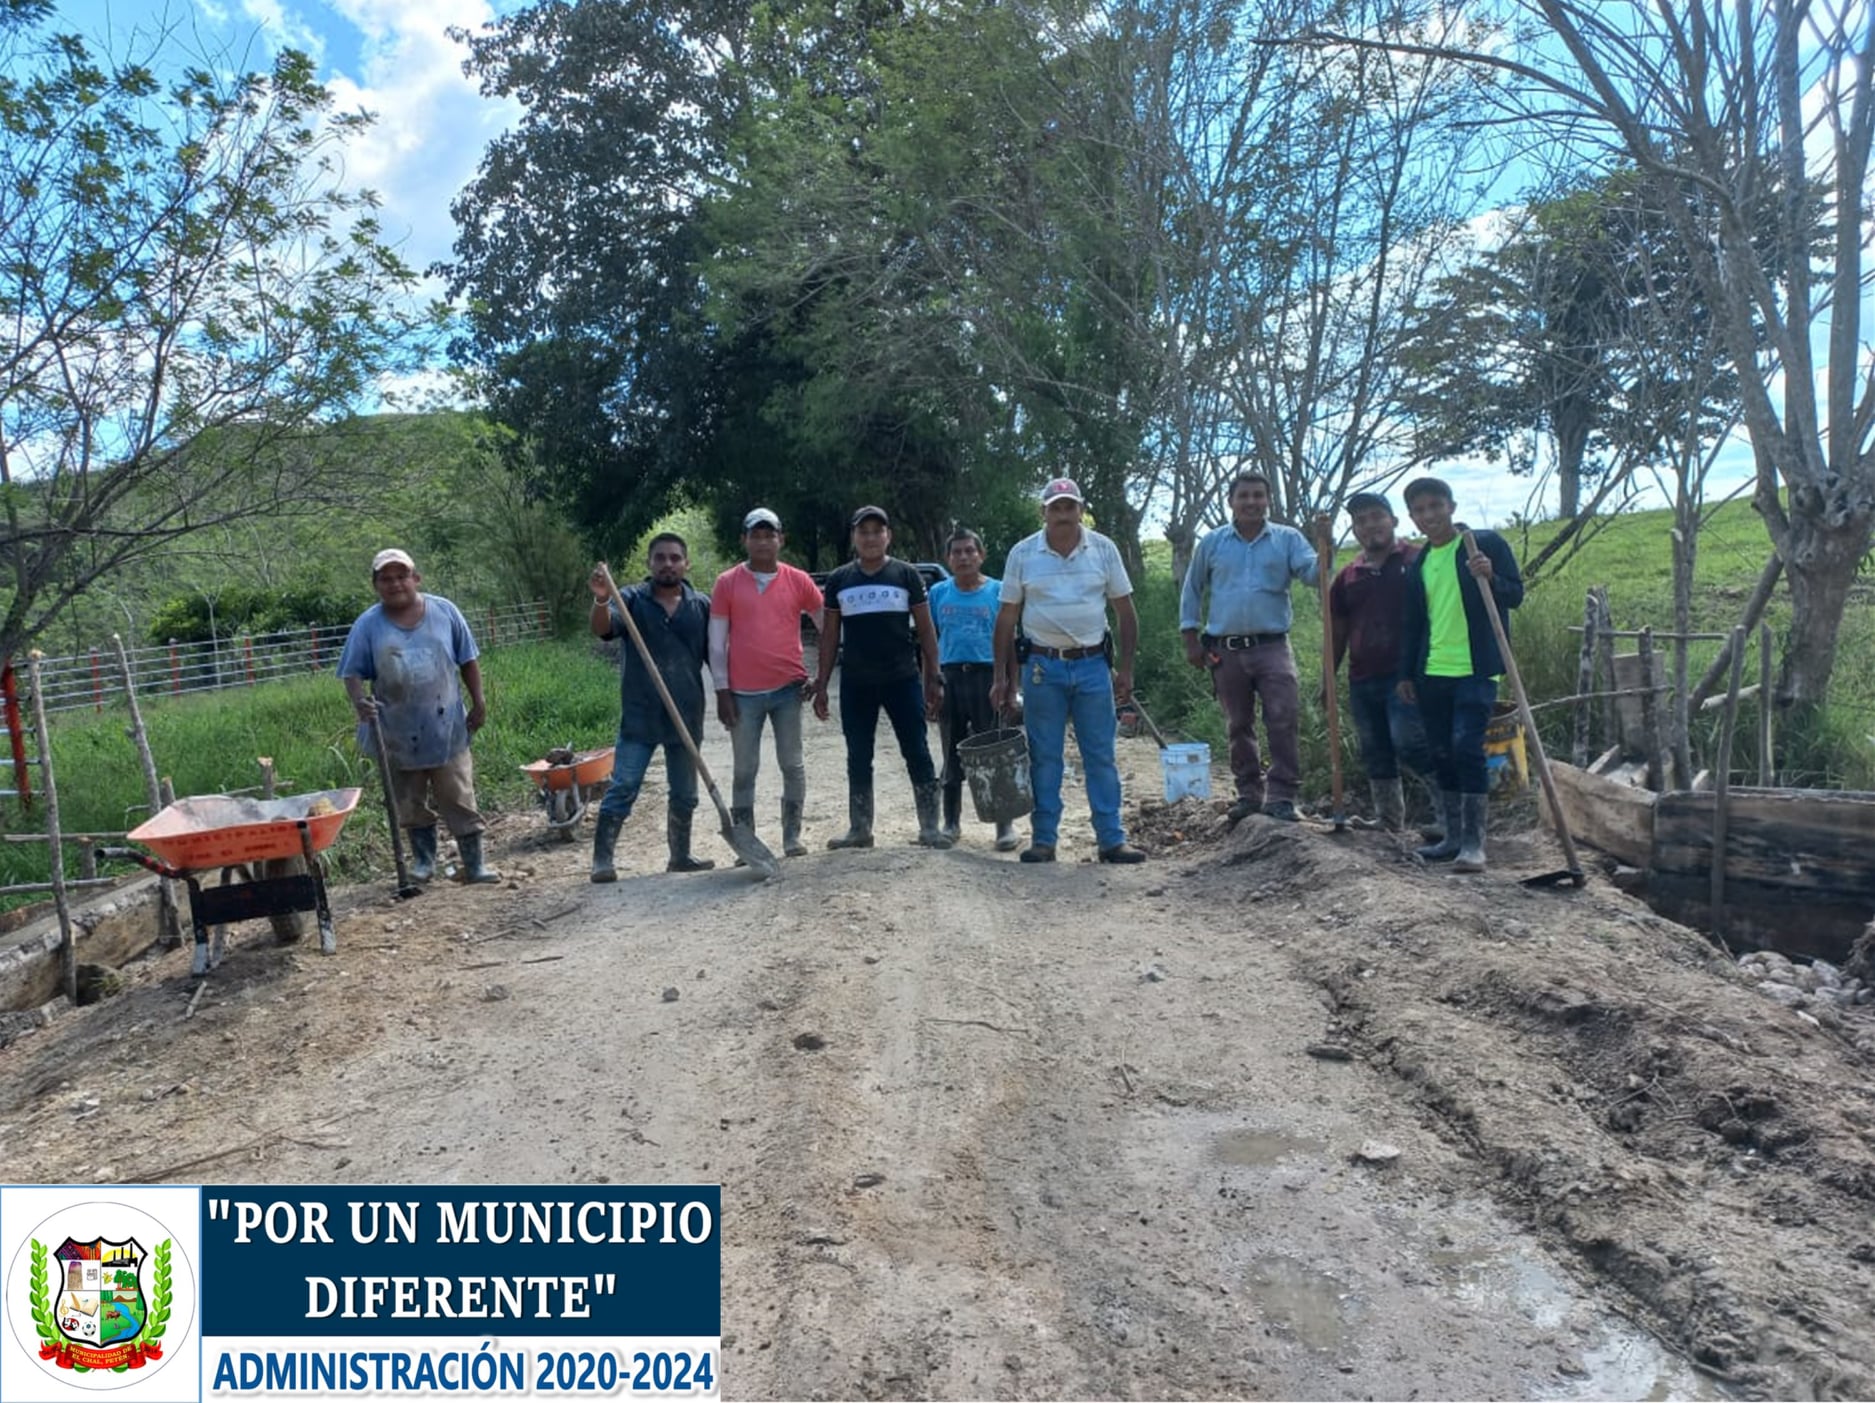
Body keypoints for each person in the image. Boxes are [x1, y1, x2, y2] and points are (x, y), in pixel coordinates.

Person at [989, 478, 1146, 864]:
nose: (1063, 515)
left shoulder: (1103, 550)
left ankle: (1111, 839)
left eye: (1069, 507)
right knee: (1045, 755)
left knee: (1101, 754)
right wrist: (1002, 678)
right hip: (1042, 668)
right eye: (1055, 507)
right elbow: (1006, 618)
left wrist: (1126, 669)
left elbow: (1125, 612)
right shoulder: (1023, 554)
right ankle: (1044, 840)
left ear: (1080, 510)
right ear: (1044, 512)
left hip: (1094, 666)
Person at [339, 548, 499, 884]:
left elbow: (468, 660)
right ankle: (424, 863)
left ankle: (475, 864)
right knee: (409, 802)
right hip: (395, 730)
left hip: (446, 726)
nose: (395, 583)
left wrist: (479, 703)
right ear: (376, 585)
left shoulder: (445, 611)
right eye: (386, 578)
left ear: (416, 578)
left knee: (458, 795)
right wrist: (359, 703)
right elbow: (352, 673)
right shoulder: (368, 625)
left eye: (401, 576)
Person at [1397, 476, 1524, 873]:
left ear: (1451, 506)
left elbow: (1515, 595)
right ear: (1412, 518)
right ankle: (1451, 838)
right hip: (1431, 672)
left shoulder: (1482, 544)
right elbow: (1414, 622)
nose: (1429, 515)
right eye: (1420, 510)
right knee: (1441, 752)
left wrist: (1491, 576)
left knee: (1467, 747)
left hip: (1476, 669)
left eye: (1436, 506)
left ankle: (1474, 844)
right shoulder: (1419, 562)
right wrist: (1406, 673)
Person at [1178, 472, 1321, 825]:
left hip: (1272, 645)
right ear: (1231, 501)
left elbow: (1313, 575)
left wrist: (1326, 548)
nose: (1251, 502)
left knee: (1283, 717)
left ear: (1268, 500)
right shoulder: (1212, 543)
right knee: (1238, 723)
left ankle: (1283, 796)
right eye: (1244, 496)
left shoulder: (1287, 539)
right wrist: (1190, 638)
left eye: (1258, 495)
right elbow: (1192, 589)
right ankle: (1249, 794)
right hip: (1226, 649)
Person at [811, 505, 952, 850]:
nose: (871, 538)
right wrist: (822, 683)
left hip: (902, 679)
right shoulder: (840, 580)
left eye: (878, 531)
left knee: (917, 750)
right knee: (858, 754)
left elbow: (926, 629)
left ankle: (930, 828)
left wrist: (933, 676)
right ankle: (860, 829)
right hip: (856, 682)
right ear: (854, 537)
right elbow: (829, 636)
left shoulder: (906, 576)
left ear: (888, 536)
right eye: (864, 532)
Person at [586, 534, 715, 882]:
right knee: (624, 785)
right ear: (650, 563)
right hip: (640, 716)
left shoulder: (700, 605)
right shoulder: (629, 599)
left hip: (686, 715)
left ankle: (681, 855)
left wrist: (728, 696)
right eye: (660, 558)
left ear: (686, 564)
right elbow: (603, 629)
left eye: (675, 558)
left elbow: (716, 657)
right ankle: (602, 861)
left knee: (685, 792)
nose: (668, 564)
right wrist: (601, 600)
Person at [709, 508, 824, 859]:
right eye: (755, 535)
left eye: (769, 534)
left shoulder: (799, 580)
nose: (762, 541)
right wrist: (721, 690)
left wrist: (822, 677)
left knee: (792, 763)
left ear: (780, 539)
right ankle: (746, 843)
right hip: (743, 694)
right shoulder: (727, 583)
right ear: (744, 540)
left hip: (789, 689)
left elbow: (829, 628)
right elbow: (716, 642)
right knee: (745, 769)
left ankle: (792, 837)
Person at [1325, 492, 1438, 832]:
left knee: (1411, 744)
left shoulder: (1419, 562)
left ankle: (1452, 816)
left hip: (1408, 676)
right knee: (1375, 750)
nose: (1370, 525)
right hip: (1362, 678)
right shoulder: (1348, 577)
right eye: (1361, 520)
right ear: (1355, 530)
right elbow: (1337, 634)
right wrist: (1327, 680)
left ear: (1394, 521)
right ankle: (1388, 821)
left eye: (1377, 516)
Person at [927, 528, 1019, 851]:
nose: (964, 557)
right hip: (952, 678)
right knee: (951, 753)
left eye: (970, 551)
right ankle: (951, 823)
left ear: (981, 555)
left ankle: (1003, 826)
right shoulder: (938, 593)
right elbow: (928, 644)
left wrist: (1010, 686)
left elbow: (1010, 644)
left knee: (994, 752)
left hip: (988, 679)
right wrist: (932, 683)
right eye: (957, 552)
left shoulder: (998, 592)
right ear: (948, 558)